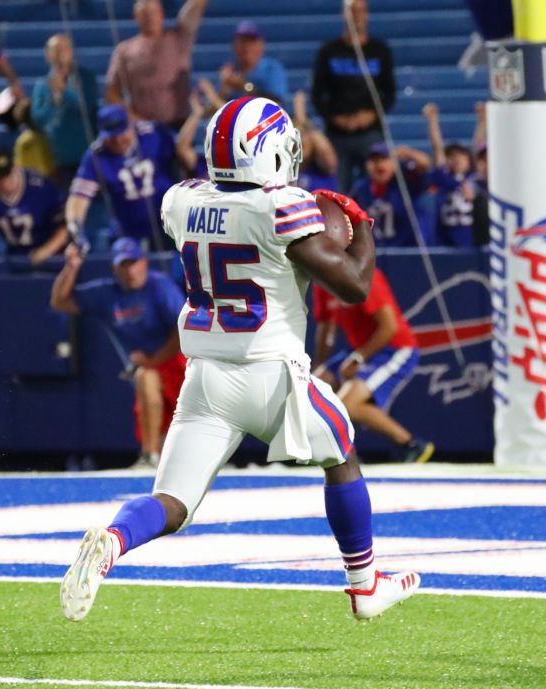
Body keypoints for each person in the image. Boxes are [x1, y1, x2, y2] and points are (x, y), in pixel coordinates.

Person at [59, 96, 421, 624]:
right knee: (340, 454)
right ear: (270, 154)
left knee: (173, 501)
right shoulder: (282, 207)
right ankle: (364, 585)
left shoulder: (181, 199)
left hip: (205, 377)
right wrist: (361, 224)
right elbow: (354, 286)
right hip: (270, 373)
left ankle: (112, 542)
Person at [50, 238, 188, 469]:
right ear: (115, 268)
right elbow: (60, 302)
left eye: (133, 263)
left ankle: (170, 454)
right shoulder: (108, 293)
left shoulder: (160, 286)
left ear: (144, 262)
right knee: (145, 377)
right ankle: (150, 454)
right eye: (123, 265)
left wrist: (155, 360)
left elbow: (183, 329)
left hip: (181, 362)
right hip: (151, 366)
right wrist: (71, 266)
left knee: (186, 412)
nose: (130, 270)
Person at [313, 268, 434, 463]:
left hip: (393, 349)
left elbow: (389, 327)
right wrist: (320, 365)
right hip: (362, 350)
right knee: (311, 389)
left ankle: (411, 444)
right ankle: (330, 451)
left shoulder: (362, 275)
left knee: (347, 404)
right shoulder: (322, 279)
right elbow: (326, 327)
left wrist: (358, 358)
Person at [310, 0, 395, 190]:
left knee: (376, 187)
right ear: (343, 15)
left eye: (360, 11)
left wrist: (371, 115)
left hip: (370, 132)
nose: (357, 16)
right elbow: (317, 94)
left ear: (367, 14)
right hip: (337, 134)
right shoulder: (329, 51)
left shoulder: (379, 50)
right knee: (336, 188)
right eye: (352, 11)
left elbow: (389, 93)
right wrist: (335, 118)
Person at [66, 105, 177, 251]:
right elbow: (79, 197)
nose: (118, 140)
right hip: (128, 231)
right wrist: (76, 228)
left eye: (122, 132)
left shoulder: (153, 134)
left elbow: (184, 154)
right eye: (111, 136)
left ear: (131, 125)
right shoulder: (96, 155)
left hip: (169, 222)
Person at [0, 148, 69, 307]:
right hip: (15, 258)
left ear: (15, 168)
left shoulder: (41, 186)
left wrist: (46, 251)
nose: (2, 182)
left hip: (52, 257)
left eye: (6, 175)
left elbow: (66, 228)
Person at [105, 0, 209, 128]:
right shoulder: (124, 50)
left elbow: (196, 6)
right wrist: (132, 117)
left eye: (154, 13)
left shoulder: (179, 38)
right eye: (145, 14)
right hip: (142, 127)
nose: (150, 18)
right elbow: (111, 92)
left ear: (162, 14)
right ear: (135, 17)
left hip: (177, 125)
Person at [30, 33, 100, 189]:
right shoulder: (42, 84)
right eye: (56, 49)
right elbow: (38, 118)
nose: (61, 52)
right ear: (48, 55)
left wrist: (64, 92)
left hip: (87, 153)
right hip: (58, 157)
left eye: (65, 48)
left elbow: (87, 107)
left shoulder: (86, 77)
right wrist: (53, 101)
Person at [348, 143, 431, 248]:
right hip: (374, 251)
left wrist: (409, 153)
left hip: (407, 250)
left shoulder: (406, 183)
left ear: (394, 163)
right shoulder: (361, 189)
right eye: (374, 160)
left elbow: (425, 165)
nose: (379, 164)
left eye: (384, 159)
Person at [424, 103, 480, 248]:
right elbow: (437, 147)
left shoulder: (474, 177)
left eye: (461, 155)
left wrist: (483, 120)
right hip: (446, 234)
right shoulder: (444, 178)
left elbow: (478, 145)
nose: (456, 159)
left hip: (471, 232)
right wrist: (432, 120)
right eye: (451, 156)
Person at [218, 22, 289, 105]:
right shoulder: (231, 71)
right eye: (242, 42)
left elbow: (276, 102)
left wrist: (244, 86)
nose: (246, 47)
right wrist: (222, 93)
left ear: (261, 45)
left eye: (251, 42)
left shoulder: (272, 69)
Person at [291, 90, 339, 193]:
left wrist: (302, 119)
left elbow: (327, 153)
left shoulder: (322, 168)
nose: (299, 141)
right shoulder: (284, 171)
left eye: (303, 135)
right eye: (295, 135)